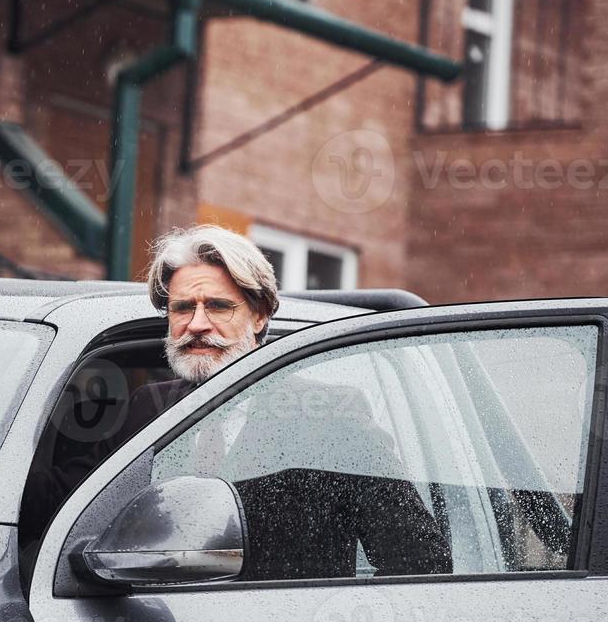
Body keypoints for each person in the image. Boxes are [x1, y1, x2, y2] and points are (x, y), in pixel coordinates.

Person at [23, 224, 451, 580]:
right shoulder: (146, 407)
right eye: (182, 308)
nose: (197, 324)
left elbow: (418, 560)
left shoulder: (332, 415)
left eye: (219, 306)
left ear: (260, 315)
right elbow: (71, 501)